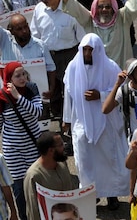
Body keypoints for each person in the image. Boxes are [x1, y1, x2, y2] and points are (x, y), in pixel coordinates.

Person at [62, 34, 127, 210]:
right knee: (85, 162)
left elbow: (121, 91)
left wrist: (101, 95)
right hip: (81, 121)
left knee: (108, 159)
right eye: (85, 50)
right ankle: (91, 196)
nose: (88, 53)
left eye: (91, 50)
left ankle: (112, 195)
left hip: (106, 121)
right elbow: (68, 95)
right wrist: (66, 120)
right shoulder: (73, 67)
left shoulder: (110, 67)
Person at [60, 0, 137, 69]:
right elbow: (76, 8)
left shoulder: (122, 18)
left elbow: (132, 5)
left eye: (108, 7)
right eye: (100, 7)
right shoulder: (89, 20)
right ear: (96, 8)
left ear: (113, 7)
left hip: (121, 71)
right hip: (98, 72)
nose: (104, 10)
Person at [0, 62, 43, 220]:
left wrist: (18, 97)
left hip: (33, 145)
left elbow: (37, 112)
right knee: (18, 188)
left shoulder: (31, 88)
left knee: (36, 183)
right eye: (17, 76)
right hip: (13, 150)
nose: (23, 78)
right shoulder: (2, 96)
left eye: (24, 74)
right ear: (9, 79)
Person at [23, 132, 77, 220]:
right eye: (61, 145)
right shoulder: (34, 175)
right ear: (51, 150)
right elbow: (34, 210)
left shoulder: (62, 164)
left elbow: (72, 192)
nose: (64, 147)